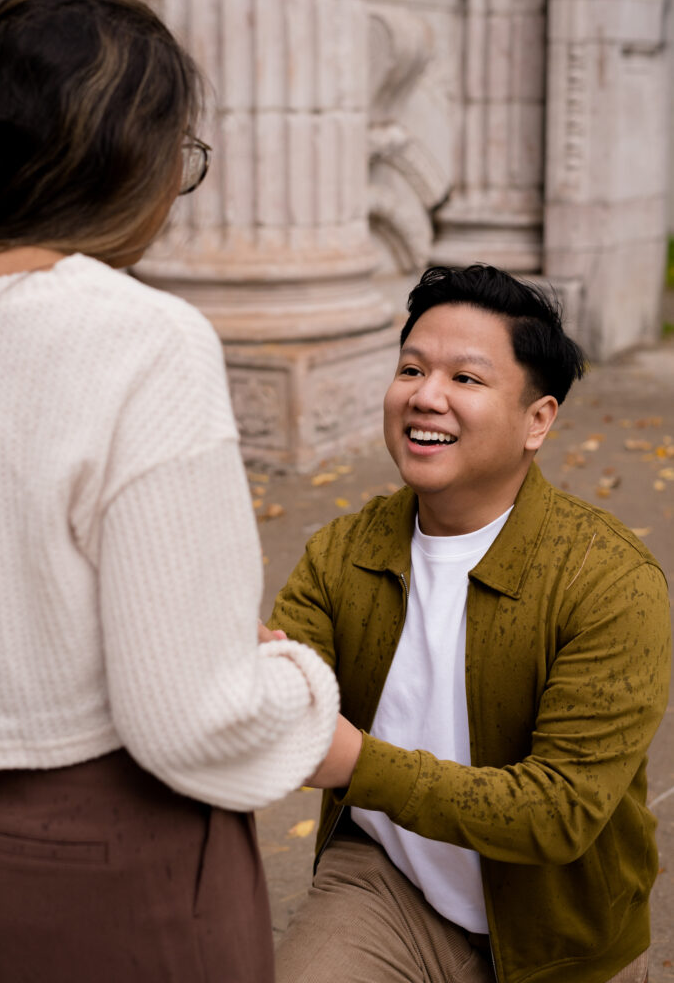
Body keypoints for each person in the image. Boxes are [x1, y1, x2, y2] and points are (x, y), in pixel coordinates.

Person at [0, 0, 338, 983]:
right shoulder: (141, 340)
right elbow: (194, 717)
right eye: (181, 154)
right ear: (126, 157)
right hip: (95, 861)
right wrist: (294, 681)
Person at [268, 264, 672, 983]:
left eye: (466, 379)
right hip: (388, 884)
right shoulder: (342, 553)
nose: (425, 396)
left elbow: (561, 812)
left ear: (537, 420)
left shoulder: (610, 582)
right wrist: (262, 683)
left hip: (564, 936)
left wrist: (358, 764)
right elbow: (282, 693)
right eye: (411, 368)